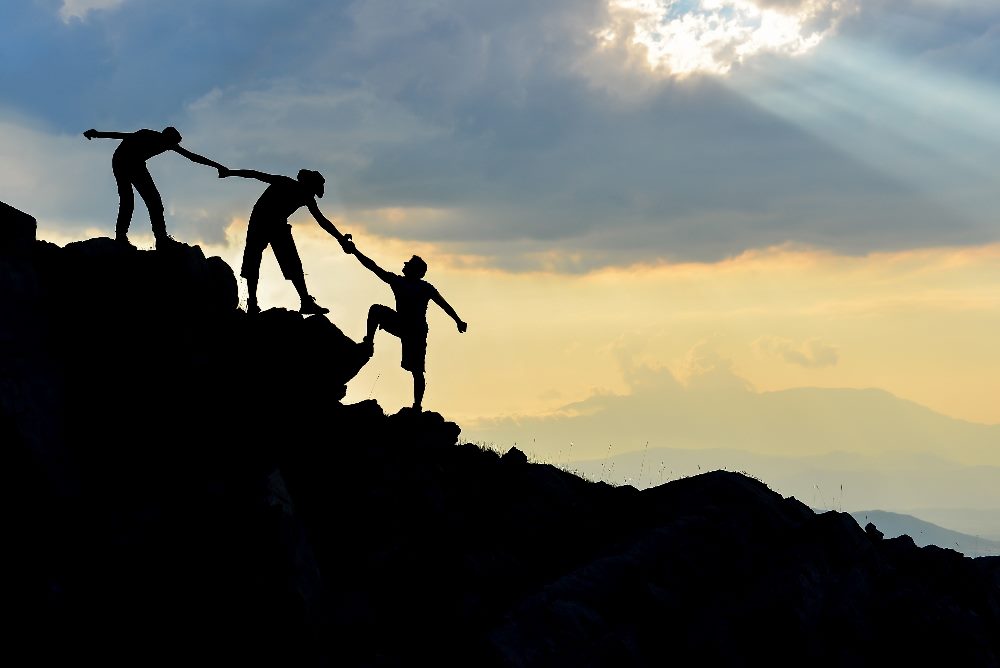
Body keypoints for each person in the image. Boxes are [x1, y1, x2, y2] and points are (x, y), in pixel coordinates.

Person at [220, 166, 352, 315]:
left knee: (292, 261)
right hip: (260, 219)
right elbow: (254, 174)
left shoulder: (307, 197)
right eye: (312, 190)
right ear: (306, 185)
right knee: (253, 258)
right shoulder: (284, 182)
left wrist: (341, 239)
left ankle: (306, 302)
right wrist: (230, 172)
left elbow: (322, 220)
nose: (312, 195)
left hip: (278, 223)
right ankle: (252, 303)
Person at [348, 247, 467, 412]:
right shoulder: (401, 282)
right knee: (376, 310)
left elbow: (443, 304)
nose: (404, 264)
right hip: (404, 325)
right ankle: (369, 341)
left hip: (415, 332)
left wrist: (458, 320)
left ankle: (417, 405)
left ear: (417, 271)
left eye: (409, 264)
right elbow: (372, 266)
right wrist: (354, 251)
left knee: (417, 371)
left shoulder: (421, 287)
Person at [83, 126, 226, 249]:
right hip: (122, 161)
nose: (170, 146)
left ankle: (161, 239)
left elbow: (192, 157)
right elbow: (121, 136)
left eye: (173, 144)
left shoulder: (167, 143)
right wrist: (97, 134)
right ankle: (123, 236)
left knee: (154, 203)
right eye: (171, 143)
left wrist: (217, 166)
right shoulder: (148, 135)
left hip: (136, 164)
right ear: (166, 136)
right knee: (129, 200)